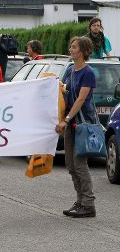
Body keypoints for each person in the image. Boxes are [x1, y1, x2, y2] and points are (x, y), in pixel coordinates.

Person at [56, 36, 97, 218]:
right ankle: (80, 201)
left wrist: (66, 118)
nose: (70, 49)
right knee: (70, 165)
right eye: (71, 46)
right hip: (70, 122)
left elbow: (81, 99)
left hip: (82, 122)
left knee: (80, 165)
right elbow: (65, 90)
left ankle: (88, 204)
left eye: (73, 47)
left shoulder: (88, 73)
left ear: (82, 51)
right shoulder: (71, 69)